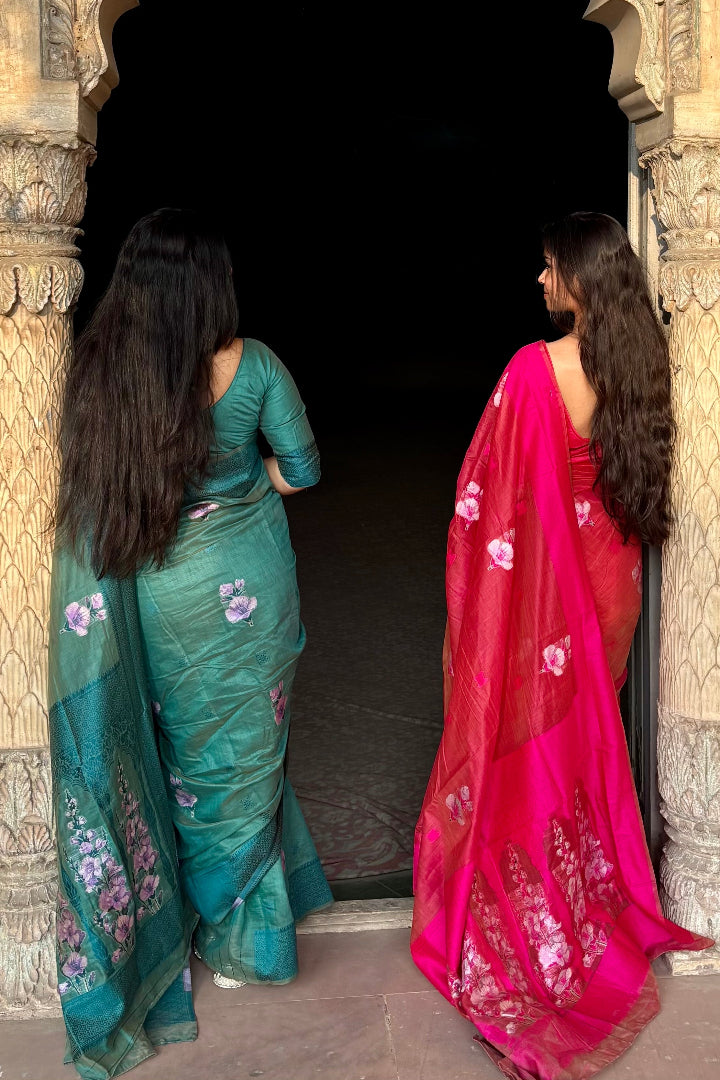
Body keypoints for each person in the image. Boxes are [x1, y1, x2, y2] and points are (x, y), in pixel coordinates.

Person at [410, 212, 714, 1080]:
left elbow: (484, 501)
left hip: (549, 594)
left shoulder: (534, 369)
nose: (540, 281)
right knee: (580, 741)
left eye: (549, 267)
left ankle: (538, 911)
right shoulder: (641, 361)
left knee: (530, 744)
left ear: (580, 278)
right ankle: (584, 890)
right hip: (609, 581)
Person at [48, 207, 333, 1079]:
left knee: (187, 757)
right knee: (248, 752)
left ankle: (194, 918)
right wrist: (242, 485)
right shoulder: (257, 364)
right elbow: (303, 471)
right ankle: (250, 940)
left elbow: (102, 497)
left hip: (166, 596)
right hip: (253, 584)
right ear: (212, 286)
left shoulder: (109, 375)